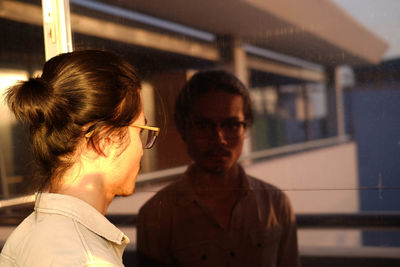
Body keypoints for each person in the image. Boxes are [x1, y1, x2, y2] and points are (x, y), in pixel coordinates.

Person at [0, 50, 159, 266]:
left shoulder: (27, 234)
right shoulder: (88, 259)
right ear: (105, 140)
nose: (141, 149)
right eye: (140, 132)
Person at [137, 70, 299, 267]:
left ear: (245, 128)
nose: (219, 139)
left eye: (231, 125)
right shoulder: (156, 214)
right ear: (183, 128)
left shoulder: (276, 205)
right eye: (204, 125)